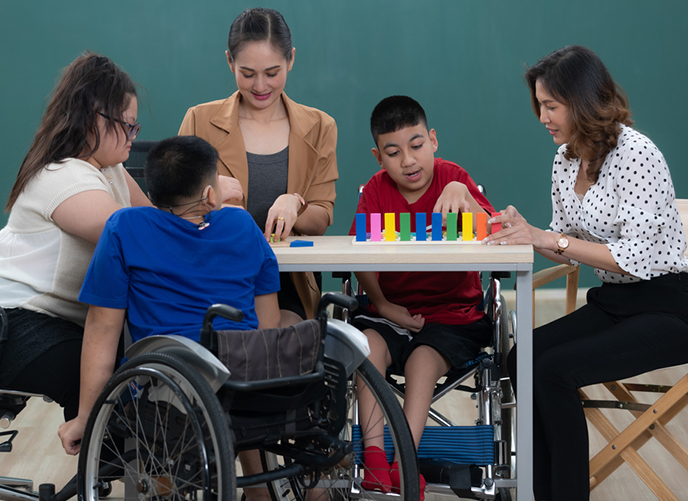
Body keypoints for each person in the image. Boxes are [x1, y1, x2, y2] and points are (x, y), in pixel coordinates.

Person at [485, 45, 688, 501]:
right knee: (519, 360)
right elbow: (565, 247)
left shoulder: (637, 153)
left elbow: (631, 258)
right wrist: (523, 230)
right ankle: (542, 491)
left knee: (553, 370)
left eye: (551, 105)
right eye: (539, 105)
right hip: (614, 303)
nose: (542, 116)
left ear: (582, 101)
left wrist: (545, 239)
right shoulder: (565, 158)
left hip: (670, 307)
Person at [57, 135, 281, 455]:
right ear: (210, 195)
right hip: (243, 376)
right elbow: (268, 321)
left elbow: (102, 328)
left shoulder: (125, 226)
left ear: (151, 193)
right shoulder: (242, 224)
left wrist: (85, 416)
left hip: (166, 380)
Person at [348, 95, 496, 499]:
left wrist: (464, 198)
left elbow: (495, 233)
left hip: (452, 316)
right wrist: (383, 305)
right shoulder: (377, 192)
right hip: (390, 310)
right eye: (394, 153)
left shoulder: (454, 179)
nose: (408, 161)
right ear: (379, 157)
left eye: (416, 146)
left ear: (432, 140)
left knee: (422, 359)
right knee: (367, 346)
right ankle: (375, 460)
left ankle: (406, 462)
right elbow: (357, 256)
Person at [0, 52, 151, 421]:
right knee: (115, 384)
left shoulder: (110, 167)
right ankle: (91, 469)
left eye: (136, 127)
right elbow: (134, 235)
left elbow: (151, 219)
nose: (133, 137)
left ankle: (96, 469)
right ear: (92, 119)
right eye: (128, 126)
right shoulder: (63, 176)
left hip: (60, 321)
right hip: (18, 323)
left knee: (136, 372)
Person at [179, 7, 338, 326]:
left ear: (291, 59)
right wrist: (210, 197)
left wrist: (296, 203)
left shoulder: (319, 126)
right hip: (211, 273)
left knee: (281, 347)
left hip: (285, 279)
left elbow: (321, 218)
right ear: (230, 62)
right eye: (248, 73)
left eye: (272, 72)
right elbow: (172, 211)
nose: (261, 86)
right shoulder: (199, 120)